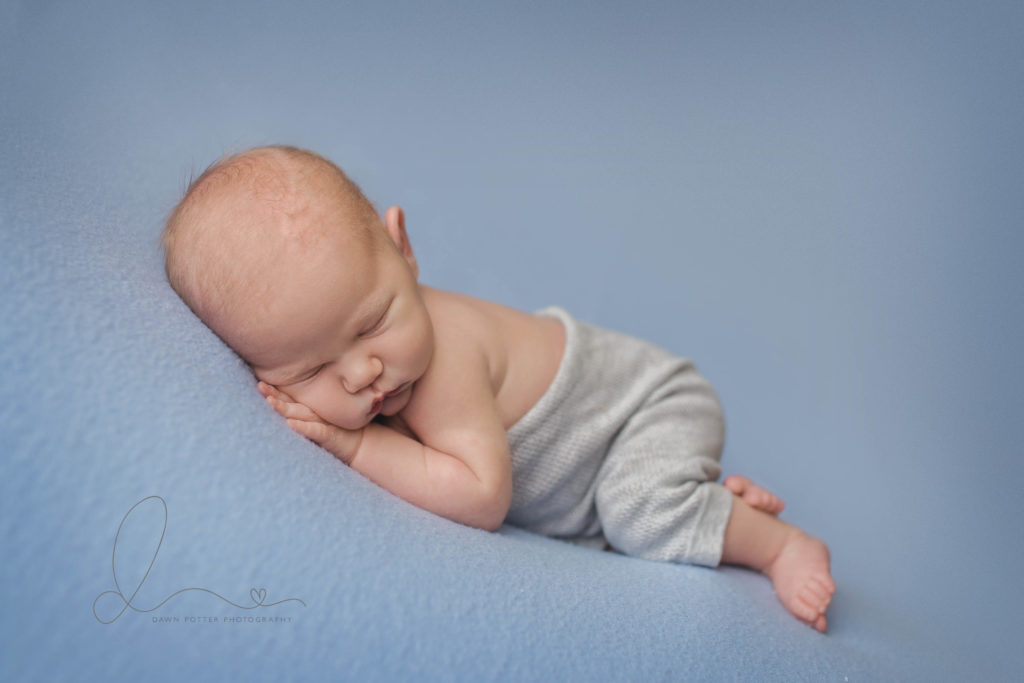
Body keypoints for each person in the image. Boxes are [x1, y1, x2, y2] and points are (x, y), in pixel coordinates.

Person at [162, 145, 836, 631]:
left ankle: (779, 545)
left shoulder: (441, 363)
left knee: (638, 512)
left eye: (373, 323)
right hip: (595, 463)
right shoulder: (380, 364)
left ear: (404, 250)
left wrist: (354, 447)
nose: (361, 372)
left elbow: (483, 495)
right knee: (629, 515)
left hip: (645, 407)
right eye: (309, 371)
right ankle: (704, 500)